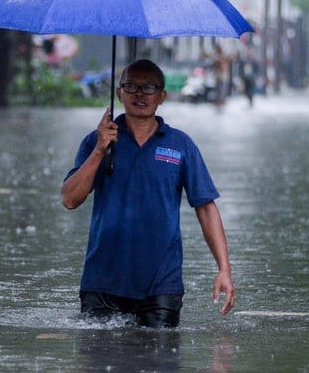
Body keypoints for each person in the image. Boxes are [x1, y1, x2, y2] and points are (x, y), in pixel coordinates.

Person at [61, 59, 235, 327]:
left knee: (159, 361)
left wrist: (224, 268)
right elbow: (70, 199)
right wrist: (99, 149)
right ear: (119, 93)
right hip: (102, 282)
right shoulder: (96, 141)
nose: (139, 94)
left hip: (161, 285)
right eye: (131, 86)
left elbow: (206, 207)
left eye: (149, 87)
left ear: (162, 96)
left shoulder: (181, 145)